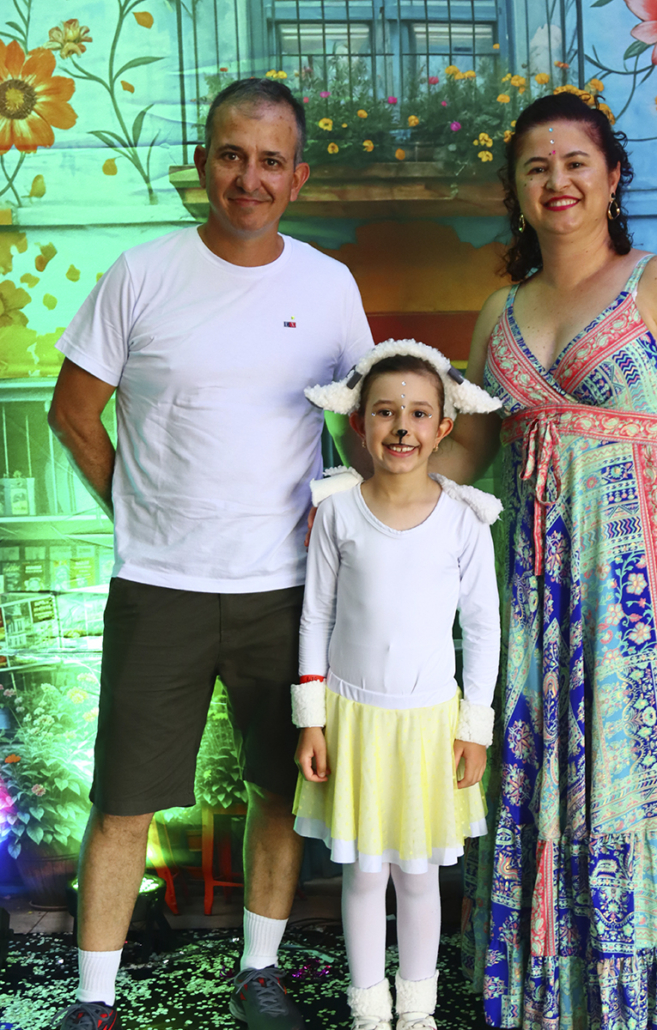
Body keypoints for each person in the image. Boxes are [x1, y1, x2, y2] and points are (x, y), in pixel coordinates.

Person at [432, 92, 657, 1028]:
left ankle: (649, 996)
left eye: (575, 162)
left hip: (641, 581)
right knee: (539, 759)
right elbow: (470, 451)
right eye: (536, 167)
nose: (558, 181)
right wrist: (373, 473)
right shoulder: (497, 311)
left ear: (612, 176)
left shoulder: (655, 283)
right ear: (514, 189)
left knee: (632, 770)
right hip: (533, 584)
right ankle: (555, 990)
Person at [47, 78, 373, 1030]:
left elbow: (365, 431)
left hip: (289, 589)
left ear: (297, 178)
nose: (249, 178)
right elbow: (72, 414)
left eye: (271, 161)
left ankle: (259, 975)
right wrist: (138, 509)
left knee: (281, 788)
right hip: (160, 585)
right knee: (122, 799)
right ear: (203, 164)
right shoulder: (140, 273)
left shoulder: (327, 286)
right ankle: (94, 1001)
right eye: (232, 155)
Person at [291, 340, 502, 1030]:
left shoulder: (464, 520)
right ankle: (367, 1008)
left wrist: (473, 728)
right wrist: (312, 719)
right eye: (385, 412)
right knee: (362, 872)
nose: (401, 428)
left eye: (417, 414)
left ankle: (416, 1008)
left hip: (429, 725)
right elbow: (316, 616)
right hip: (352, 719)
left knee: (417, 874)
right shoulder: (338, 513)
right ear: (359, 424)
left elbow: (483, 628)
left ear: (444, 427)